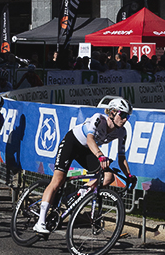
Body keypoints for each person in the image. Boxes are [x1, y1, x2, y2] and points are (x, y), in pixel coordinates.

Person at [33, 98, 135, 235]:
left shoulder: (122, 132)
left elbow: (121, 158)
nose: (125, 119)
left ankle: (76, 195)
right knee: (58, 180)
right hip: (72, 143)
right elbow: (89, 139)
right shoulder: (98, 119)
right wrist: (100, 156)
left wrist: (129, 175)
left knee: (108, 176)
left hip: (86, 150)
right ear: (112, 112)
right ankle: (40, 222)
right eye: (122, 115)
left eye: (127, 116)